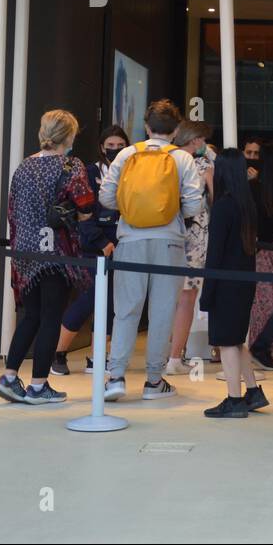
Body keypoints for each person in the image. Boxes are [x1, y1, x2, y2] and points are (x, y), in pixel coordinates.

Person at [98, 99, 205, 402]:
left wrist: (131, 209)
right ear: (176, 129)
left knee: (126, 311)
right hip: (169, 241)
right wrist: (170, 211)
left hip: (130, 239)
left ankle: (115, 377)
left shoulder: (126, 154)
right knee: (161, 312)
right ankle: (154, 381)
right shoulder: (182, 159)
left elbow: (106, 197)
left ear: (146, 126)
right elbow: (195, 204)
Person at [0, 109, 95, 405]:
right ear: (69, 136)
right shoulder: (71, 165)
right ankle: (39, 385)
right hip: (55, 251)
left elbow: (12, 211)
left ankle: (10, 377)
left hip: (25, 251)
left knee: (32, 315)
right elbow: (86, 205)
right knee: (52, 317)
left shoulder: (23, 167)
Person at [52, 124, 128, 375]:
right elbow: (83, 212)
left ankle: (98, 356)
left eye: (120, 146)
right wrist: (100, 241)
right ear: (101, 147)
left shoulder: (130, 172)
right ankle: (58, 352)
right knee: (88, 300)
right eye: (111, 146)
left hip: (121, 243)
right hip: (92, 244)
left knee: (109, 303)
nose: (115, 150)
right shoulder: (88, 171)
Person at [201, 149, 268, 419]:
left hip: (225, 283)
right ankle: (252, 391)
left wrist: (207, 293)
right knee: (237, 339)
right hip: (244, 281)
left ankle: (234, 398)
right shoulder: (246, 204)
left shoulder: (222, 207)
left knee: (228, 342)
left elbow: (214, 254)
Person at [166, 120, 214, 376]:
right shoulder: (202, 164)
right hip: (195, 238)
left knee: (165, 297)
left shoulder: (165, 160)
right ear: (195, 140)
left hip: (166, 232)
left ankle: (160, 354)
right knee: (187, 299)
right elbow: (217, 199)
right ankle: (175, 357)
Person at [246, 143, 273, 369]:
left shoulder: (253, 187)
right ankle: (270, 346)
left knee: (264, 301)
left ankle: (262, 345)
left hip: (261, 248)